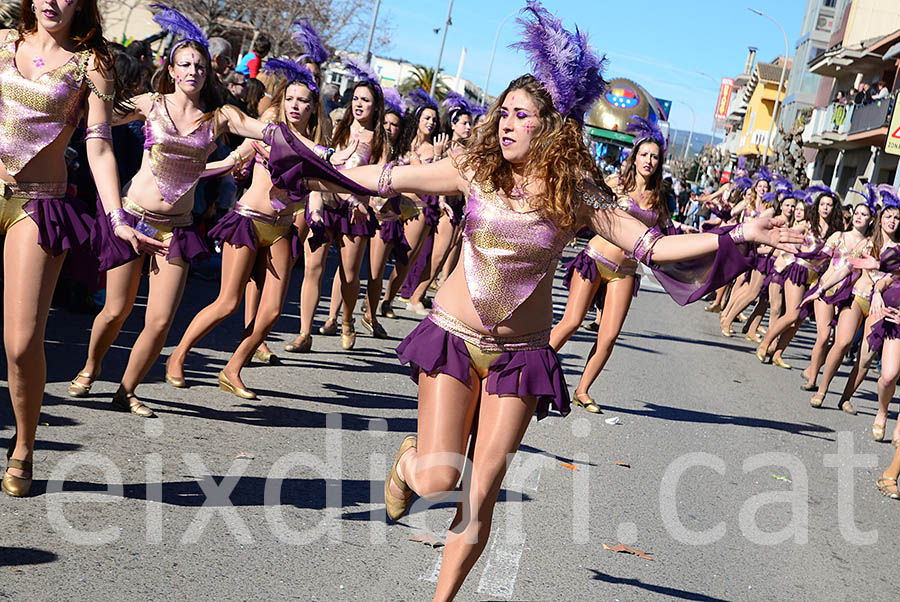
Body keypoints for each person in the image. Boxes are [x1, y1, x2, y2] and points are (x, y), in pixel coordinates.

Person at [270, 4, 796, 598]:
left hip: (520, 356)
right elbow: (389, 179)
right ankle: (406, 464)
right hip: (453, 341)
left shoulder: (578, 197)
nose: (506, 124)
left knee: (482, 487)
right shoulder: (473, 169)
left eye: (521, 115)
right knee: (442, 474)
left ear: (548, 126)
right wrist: (315, 168)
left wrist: (737, 236)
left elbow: (653, 245)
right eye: (504, 114)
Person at [68, 6, 279, 417]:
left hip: (176, 230)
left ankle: (127, 390)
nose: (192, 72)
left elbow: (262, 129)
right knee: (116, 310)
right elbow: (98, 118)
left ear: (208, 73)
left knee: (161, 320)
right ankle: (91, 368)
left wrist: (314, 148)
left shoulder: (220, 116)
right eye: (184, 64)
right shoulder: (150, 102)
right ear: (171, 68)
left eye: (199, 66)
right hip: (131, 217)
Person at [0, 0, 163, 498]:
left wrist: (117, 218)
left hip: (38, 205)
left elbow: (98, 146)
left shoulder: (93, 62)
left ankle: (24, 446)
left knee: (22, 342)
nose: (52, 0)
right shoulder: (4, 43)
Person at [165, 59, 361, 397]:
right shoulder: (267, 129)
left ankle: (233, 368)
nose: (296, 106)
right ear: (282, 101)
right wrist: (189, 170)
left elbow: (323, 180)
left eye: (303, 101)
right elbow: (230, 162)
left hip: (281, 230)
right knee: (227, 302)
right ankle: (177, 356)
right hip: (248, 222)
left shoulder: (316, 145)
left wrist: (359, 186)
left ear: (314, 108)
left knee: (271, 311)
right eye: (290, 99)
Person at [549, 116, 668, 413]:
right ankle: (528, 372)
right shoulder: (615, 183)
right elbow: (585, 202)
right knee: (572, 322)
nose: (649, 161)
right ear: (635, 157)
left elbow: (663, 233)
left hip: (625, 272)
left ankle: (583, 390)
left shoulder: (659, 197)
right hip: (595, 260)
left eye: (654, 156)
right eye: (644, 155)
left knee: (609, 335)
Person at [283, 56, 385, 352]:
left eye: (366, 100)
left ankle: (348, 319)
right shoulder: (336, 126)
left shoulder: (378, 140)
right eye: (356, 98)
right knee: (312, 267)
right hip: (324, 204)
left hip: (355, 212)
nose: (359, 104)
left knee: (349, 274)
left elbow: (381, 177)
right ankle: (304, 333)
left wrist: (363, 201)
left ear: (375, 106)